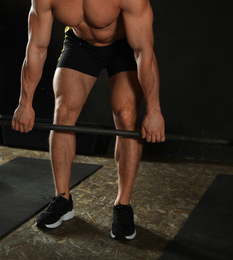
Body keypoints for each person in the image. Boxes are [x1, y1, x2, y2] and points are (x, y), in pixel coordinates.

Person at [11, 0, 165, 240]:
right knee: (62, 113)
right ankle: (63, 199)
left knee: (126, 116)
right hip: (80, 44)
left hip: (124, 46)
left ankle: (122, 205)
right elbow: (37, 47)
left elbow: (144, 51)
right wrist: (25, 102)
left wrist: (154, 110)